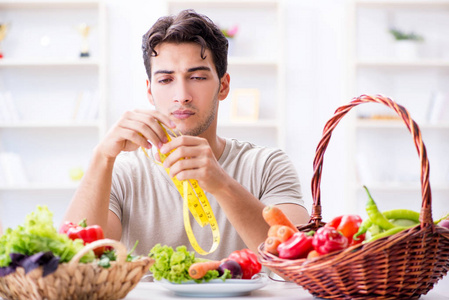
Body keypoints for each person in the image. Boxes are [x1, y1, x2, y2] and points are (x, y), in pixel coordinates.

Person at [62, 9, 309, 260]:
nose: (182, 95)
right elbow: (76, 259)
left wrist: (222, 184)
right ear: (149, 91)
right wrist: (102, 157)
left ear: (223, 86)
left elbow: (298, 262)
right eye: (166, 80)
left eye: (198, 76)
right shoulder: (120, 172)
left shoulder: (267, 166)